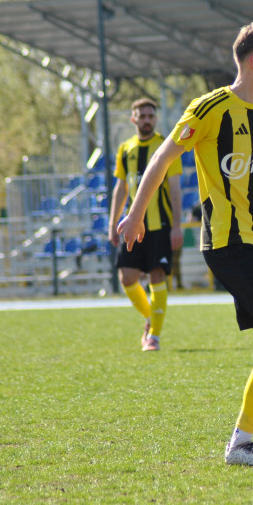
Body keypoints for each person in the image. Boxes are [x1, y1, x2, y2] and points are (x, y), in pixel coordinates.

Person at [117, 20, 253, 467]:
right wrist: (135, 212)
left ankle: (240, 445)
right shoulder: (210, 108)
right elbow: (163, 156)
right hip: (228, 244)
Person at [108, 97, 183, 352]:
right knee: (127, 278)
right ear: (134, 119)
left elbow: (175, 189)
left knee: (157, 276)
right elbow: (121, 188)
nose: (147, 120)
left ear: (155, 119)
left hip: (160, 224)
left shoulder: (166, 145)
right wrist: (112, 223)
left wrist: (176, 226)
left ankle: (154, 337)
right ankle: (151, 316)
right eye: (142, 116)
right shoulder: (125, 149)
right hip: (132, 224)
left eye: (151, 116)